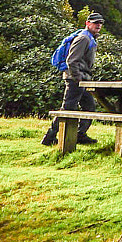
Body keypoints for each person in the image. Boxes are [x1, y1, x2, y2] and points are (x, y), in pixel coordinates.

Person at [42, 11, 104, 147]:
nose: (98, 25)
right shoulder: (84, 38)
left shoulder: (90, 38)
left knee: (89, 107)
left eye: (100, 23)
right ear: (88, 23)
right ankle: (49, 137)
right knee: (68, 108)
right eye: (95, 23)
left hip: (82, 79)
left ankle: (80, 134)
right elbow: (72, 60)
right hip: (76, 79)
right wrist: (77, 77)